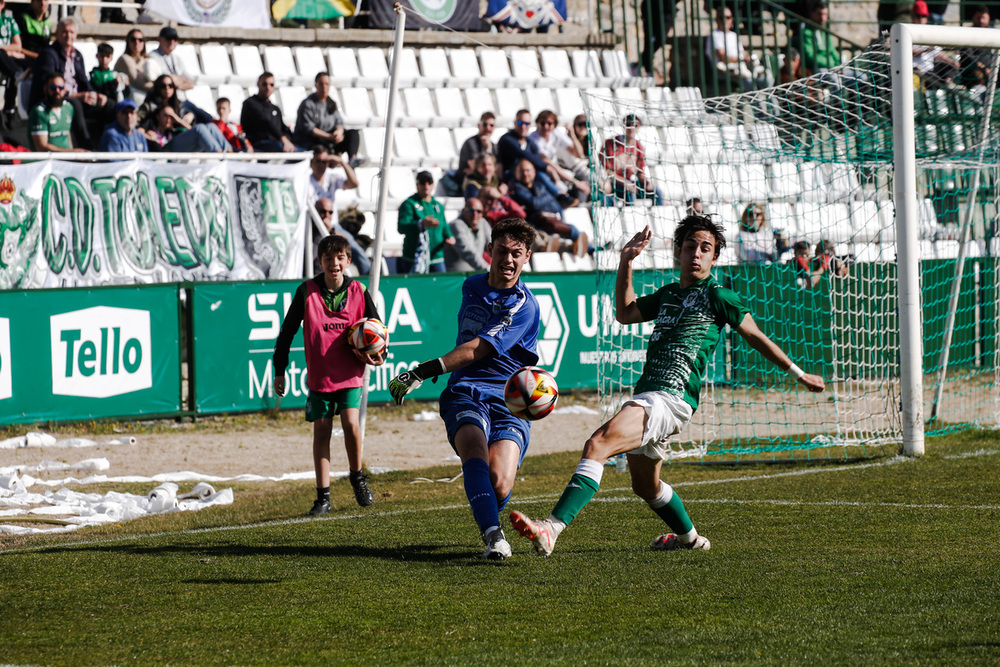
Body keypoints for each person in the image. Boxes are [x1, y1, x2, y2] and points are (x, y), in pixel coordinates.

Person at [509, 217, 826, 557]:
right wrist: (626, 262)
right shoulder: (669, 294)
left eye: (706, 249)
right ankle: (691, 540)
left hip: (671, 398)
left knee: (597, 444)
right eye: (691, 246)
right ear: (679, 252)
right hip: (651, 395)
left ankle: (551, 528)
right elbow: (625, 313)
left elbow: (756, 337)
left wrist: (798, 374)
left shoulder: (719, 295)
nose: (697, 254)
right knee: (646, 486)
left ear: (715, 258)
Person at [387, 217, 541, 560]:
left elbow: (478, 348)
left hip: (509, 400)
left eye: (517, 253)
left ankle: (485, 507)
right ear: (490, 250)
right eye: (502, 250)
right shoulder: (472, 286)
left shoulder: (523, 305)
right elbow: (470, 354)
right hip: (467, 390)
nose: (509, 259)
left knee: (498, 482)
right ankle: (494, 537)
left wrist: (421, 371)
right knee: (472, 448)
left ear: (527, 256)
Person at [272, 234, 386, 515]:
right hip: (321, 376)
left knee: (350, 422)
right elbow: (286, 332)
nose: (333, 263)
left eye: (339, 258)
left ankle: (357, 477)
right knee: (321, 431)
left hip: (350, 373)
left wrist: (378, 354)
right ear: (320, 262)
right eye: (327, 258)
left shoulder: (359, 291)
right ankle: (323, 497)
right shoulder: (306, 292)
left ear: (348, 261)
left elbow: (378, 330)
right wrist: (280, 368)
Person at [30, 17, 104, 149]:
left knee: (109, 105)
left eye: (71, 32)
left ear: (76, 35)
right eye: (64, 32)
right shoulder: (49, 54)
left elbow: (83, 80)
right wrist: (76, 96)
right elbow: (49, 85)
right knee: (74, 104)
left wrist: (95, 95)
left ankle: (110, 148)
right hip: (56, 97)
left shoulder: (78, 55)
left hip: (77, 96)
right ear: (57, 34)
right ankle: (87, 149)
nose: (68, 35)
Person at [496, 109, 567, 202]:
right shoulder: (507, 139)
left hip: (528, 179)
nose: (523, 126)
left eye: (527, 123)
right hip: (511, 180)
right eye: (520, 122)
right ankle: (558, 194)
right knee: (539, 173)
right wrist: (547, 168)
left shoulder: (529, 142)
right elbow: (524, 154)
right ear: (515, 123)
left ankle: (561, 194)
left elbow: (537, 157)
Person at [293, 71, 361, 165]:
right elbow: (309, 129)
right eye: (321, 84)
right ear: (316, 85)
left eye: (327, 84)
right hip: (312, 142)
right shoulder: (307, 104)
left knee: (353, 134)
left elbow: (339, 122)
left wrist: (339, 132)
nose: (324, 87)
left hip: (330, 140)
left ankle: (352, 159)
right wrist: (329, 137)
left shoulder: (331, 103)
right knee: (322, 149)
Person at [397, 170, 455, 274]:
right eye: (423, 182)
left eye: (429, 182)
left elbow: (444, 226)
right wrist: (421, 224)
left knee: (440, 286)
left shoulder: (438, 206)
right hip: (415, 257)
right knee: (415, 286)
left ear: (433, 184)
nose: (426, 185)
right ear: (417, 184)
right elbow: (402, 227)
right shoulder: (409, 204)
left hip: (436, 256)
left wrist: (449, 236)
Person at [601, 113, 662, 205]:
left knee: (656, 192)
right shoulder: (610, 144)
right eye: (628, 124)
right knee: (629, 192)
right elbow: (608, 171)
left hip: (630, 182)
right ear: (623, 126)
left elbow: (640, 171)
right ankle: (629, 216)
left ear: (639, 127)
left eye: (635, 125)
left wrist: (647, 182)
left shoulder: (638, 146)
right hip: (615, 183)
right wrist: (624, 182)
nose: (631, 128)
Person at [528, 109, 587, 204]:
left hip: (555, 171)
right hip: (542, 171)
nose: (546, 126)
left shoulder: (556, 134)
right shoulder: (533, 138)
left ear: (554, 125)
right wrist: (575, 182)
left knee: (585, 179)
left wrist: (572, 135)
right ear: (537, 124)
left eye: (549, 123)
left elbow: (579, 154)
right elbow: (546, 161)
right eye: (542, 123)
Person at [241, 71, 298, 153]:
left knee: (302, 149)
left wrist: (290, 139)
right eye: (264, 84)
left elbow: (283, 128)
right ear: (258, 84)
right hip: (259, 144)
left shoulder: (275, 108)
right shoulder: (250, 103)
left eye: (271, 85)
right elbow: (265, 122)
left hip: (276, 143)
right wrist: (283, 139)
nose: (268, 87)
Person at [313, 197, 371, 276]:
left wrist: (331, 230)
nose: (327, 216)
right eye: (323, 211)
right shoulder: (308, 231)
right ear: (315, 211)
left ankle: (368, 275)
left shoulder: (335, 231)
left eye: (330, 212)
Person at [29, 73, 85, 152]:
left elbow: (66, 135)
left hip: (67, 159)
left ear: (65, 90)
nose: (57, 91)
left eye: (61, 88)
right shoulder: (39, 112)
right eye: (53, 87)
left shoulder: (68, 108)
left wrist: (73, 156)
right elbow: (41, 147)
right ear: (45, 89)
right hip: (48, 161)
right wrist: (71, 153)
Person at [706, 5, 755, 93]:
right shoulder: (715, 35)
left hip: (740, 67)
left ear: (731, 19)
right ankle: (759, 106)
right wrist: (740, 59)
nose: (725, 20)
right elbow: (723, 57)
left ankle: (770, 105)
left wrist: (748, 58)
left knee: (766, 79)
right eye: (722, 17)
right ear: (717, 19)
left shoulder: (734, 35)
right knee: (749, 81)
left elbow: (742, 53)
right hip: (724, 71)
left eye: (728, 17)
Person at [911, 0, 958, 88]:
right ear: (912, 16)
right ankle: (946, 85)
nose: (921, 19)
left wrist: (952, 62)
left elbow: (937, 53)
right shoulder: (907, 32)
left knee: (950, 67)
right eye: (918, 16)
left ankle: (948, 82)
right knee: (933, 78)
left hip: (930, 69)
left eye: (924, 16)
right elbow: (910, 53)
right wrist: (926, 50)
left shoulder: (930, 33)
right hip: (917, 70)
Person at [445, 198, 491, 273]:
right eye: (471, 210)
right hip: (457, 278)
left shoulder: (483, 222)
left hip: (476, 274)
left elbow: (493, 246)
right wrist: (487, 269)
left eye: (479, 211)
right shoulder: (455, 225)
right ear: (463, 211)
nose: (475, 214)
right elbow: (467, 251)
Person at [0, 0, 27, 124]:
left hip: (7, 59)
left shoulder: (9, 21)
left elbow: (18, 46)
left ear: (2, 5)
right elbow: (14, 47)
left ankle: (9, 109)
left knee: (21, 68)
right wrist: (7, 50)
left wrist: (4, 51)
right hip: (6, 57)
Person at [795, 1, 841, 75]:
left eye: (825, 14)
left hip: (831, 67)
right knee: (834, 79)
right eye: (819, 14)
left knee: (861, 78)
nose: (822, 17)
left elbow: (833, 51)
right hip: (816, 69)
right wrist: (831, 63)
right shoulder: (806, 33)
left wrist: (839, 65)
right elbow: (810, 57)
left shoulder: (826, 32)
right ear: (812, 14)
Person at [960, 5, 993, 97]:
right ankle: (978, 102)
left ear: (988, 18)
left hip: (992, 69)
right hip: (972, 71)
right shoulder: (968, 34)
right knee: (977, 74)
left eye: (983, 18)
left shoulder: (993, 34)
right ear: (973, 17)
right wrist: (984, 68)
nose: (981, 21)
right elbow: (968, 57)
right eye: (978, 17)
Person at [114, 29, 152, 105]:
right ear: (128, 41)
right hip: (128, 102)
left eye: (140, 40)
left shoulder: (147, 60)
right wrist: (160, 88)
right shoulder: (124, 59)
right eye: (133, 39)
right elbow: (137, 82)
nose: (136, 42)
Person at [459, 112, 497, 176]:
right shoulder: (470, 143)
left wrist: (489, 149)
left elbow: (498, 171)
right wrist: (488, 150)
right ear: (479, 126)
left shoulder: (494, 146)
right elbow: (476, 169)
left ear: (494, 127)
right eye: (485, 124)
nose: (488, 128)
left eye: (491, 125)